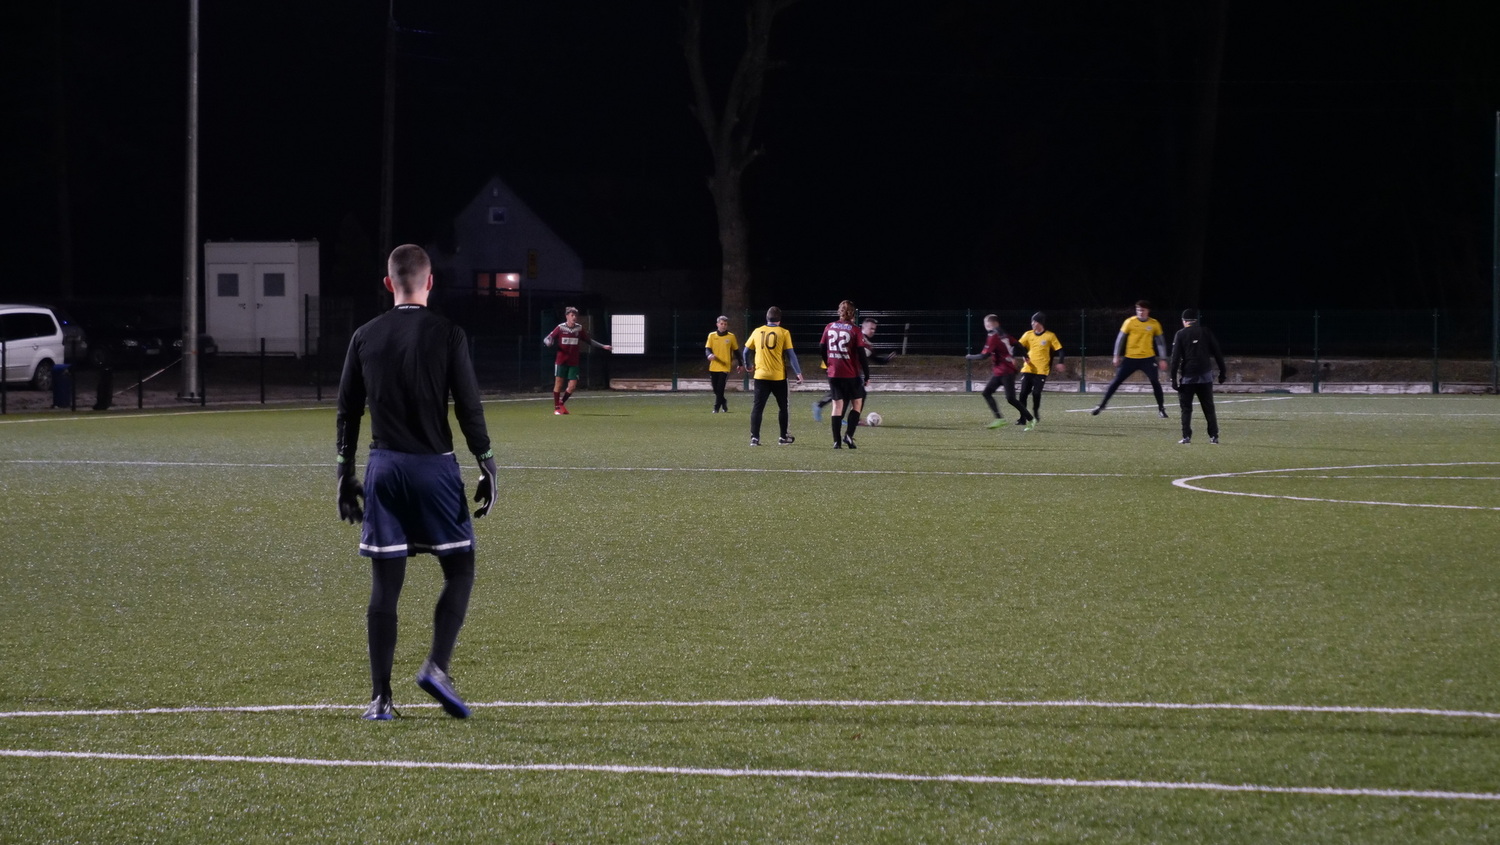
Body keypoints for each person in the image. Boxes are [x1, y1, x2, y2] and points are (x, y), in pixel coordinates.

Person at [335, 244, 499, 722]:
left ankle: (380, 699)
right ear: (430, 282)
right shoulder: (448, 333)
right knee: (460, 569)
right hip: (435, 468)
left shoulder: (364, 336)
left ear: (389, 284)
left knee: (385, 586)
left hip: (384, 468)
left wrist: (344, 473)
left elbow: (347, 411)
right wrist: (487, 462)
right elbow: (468, 405)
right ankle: (436, 667)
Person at [1092, 299, 1169, 417]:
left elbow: (1160, 342)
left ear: (1148, 311)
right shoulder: (1129, 322)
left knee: (1155, 381)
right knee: (1116, 380)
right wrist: (1116, 355)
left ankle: (1161, 409)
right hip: (1130, 359)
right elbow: (1120, 339)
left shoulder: (1154, 323)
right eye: (1138, 310)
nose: (1140, 312)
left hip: (1148, 359)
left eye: (1143, 310)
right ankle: (1102, 405)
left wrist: (1163, 358)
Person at [743, 306, 803, 446]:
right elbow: (791, 355)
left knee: (758, 407)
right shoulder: (784, 332)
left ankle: (754, 438)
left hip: (761, 376)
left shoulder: (757, 331)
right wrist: (798, 372)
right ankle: (783, 437)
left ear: (767, 318)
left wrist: (748, 365)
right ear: (779, 320)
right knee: (783, 407)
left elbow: (746, 352)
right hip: (778, 377)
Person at [815, 317, 895, 422]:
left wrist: (886, 360)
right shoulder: (855, 336)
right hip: (836, 367)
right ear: (863, 327)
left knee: (848, 392)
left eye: (874, 329)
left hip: (846, 370)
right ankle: (848, 419)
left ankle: (823, 407)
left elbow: (873, 358)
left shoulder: (867, 344)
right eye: (871, 328)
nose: (873, 331)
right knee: (848, 392)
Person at [1168, 308, 1227, 444]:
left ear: (1184, 321)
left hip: (1188, 377)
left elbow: (1175, 358)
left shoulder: (1180, 334)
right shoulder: (1206, 332)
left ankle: (1186, 436)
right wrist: (1222, 373)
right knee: (1209, 408)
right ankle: (1214, 436)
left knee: (1186, 409)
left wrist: (1173, 378)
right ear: (1196, 320)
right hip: (1205, 376)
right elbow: (1217, 353)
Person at [819, 300, 870, 448]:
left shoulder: (829, 327)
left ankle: (836, 441)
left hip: (834, 373)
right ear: (853, 313)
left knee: (837, 406)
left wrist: (828, 363)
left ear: (839, 312)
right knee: (857, 404)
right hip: (851, 374)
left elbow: (821, 346)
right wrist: (867, 375)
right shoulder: (855, 330)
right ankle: (848, 435)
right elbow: (861, 355)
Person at [543, 306, 611, 415]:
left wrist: (603, 346)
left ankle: (561, 403)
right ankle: (557, 408)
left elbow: (589, 340)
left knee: (572, 386)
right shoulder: (560, 328)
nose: (574, 317)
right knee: (559, 384)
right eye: (572, 315)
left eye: (575, 315)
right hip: (561, 361)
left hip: (573, 362)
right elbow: (547, 338)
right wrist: (548, 342)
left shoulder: (579, 328)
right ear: (567, 316)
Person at [965, 313, 1026, 430]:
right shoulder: (1003, 335)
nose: (986, 326)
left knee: (1010, 398)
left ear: (990, 324)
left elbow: (984, 355)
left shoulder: (993, 336)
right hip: (1003, 370)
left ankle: (1027, 418)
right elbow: (1016, 344)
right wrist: (1023, 356)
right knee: (992, 394)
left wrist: (969, 356)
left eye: (986, 324)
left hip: (1005, 370)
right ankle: (1001, 419)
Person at [1015, 312, 1064, 430]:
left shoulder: (1050, 336)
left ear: (1039, 322)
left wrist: (1061, 362)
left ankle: (1035, 411)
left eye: (1034, 321)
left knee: (1036, 393)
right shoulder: (1028, 334)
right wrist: (1022, 355)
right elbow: (1018, 346)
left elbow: (1060, 350)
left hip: (1042, 370)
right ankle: (1022, 418)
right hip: (1028, 369)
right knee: (1023, 394)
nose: (1032, 323)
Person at [704, 315, 741, 413]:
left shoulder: (731, 337)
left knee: (720, 388)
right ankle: (723, 402)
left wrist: (740, 364)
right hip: (714, 366)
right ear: (717, 324)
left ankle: (716, 408)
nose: (723, 326)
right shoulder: (712, 336)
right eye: (721, 324)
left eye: (725, 324)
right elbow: (707, 349)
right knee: (715, 389)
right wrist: (709, 355)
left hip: (725, 366)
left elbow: (736, 351)